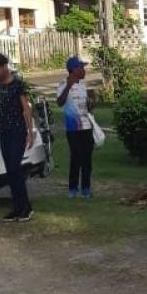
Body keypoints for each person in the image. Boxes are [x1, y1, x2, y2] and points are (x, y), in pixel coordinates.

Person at [0, 52, 34, 222]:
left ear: (4, 66)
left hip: (17, 132)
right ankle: (17, 208)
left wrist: (30, 133)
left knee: (15, 169)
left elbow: (26, 109)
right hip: (4, 132)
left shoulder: (17, 85)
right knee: (10, 171)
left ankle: (26, 207)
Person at [57, 56, 94, 198]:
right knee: (76, 157)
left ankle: (86, 188)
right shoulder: (63, 84)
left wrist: (91, 104)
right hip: (73, 128)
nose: (84, 70)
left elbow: (88, 108)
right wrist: (68, 86)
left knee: (87, 159)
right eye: (81, 68)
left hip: (86, 126)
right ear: (74, 70)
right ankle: (73, 188)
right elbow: (60, 103)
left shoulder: (83, 85)